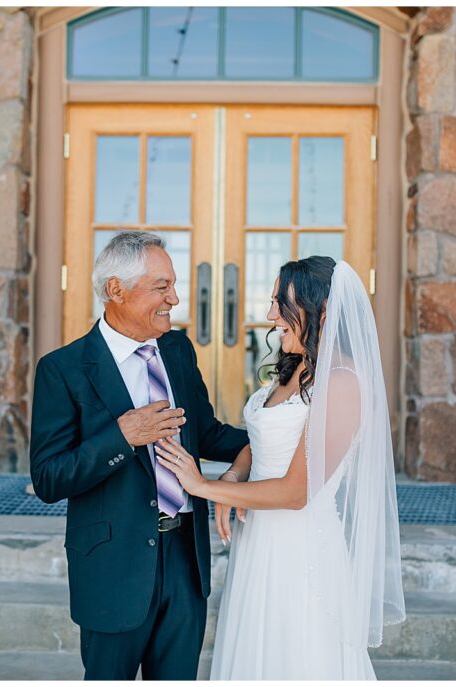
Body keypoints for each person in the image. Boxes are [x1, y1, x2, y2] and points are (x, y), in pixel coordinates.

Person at [156, 256, 407, 680]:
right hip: (259, 542)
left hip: (300, 550)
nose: (271, 315)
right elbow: (264, 437)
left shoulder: (343, 384)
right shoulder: (295, 367)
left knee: (295, 656)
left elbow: (296, 492)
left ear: (321, 311)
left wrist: (205, 486)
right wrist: (235, 475)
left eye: (280, 303)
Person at [29, 231, 250, 680]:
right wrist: (122, 437)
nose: (175, 298)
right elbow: (50, 478)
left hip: (185, 559)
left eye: (173, 285)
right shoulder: (63, 370)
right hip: (113, 568)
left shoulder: (177, 349)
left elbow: (203, 432)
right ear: (116, 290)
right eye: (161, 286)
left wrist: (273, 441)